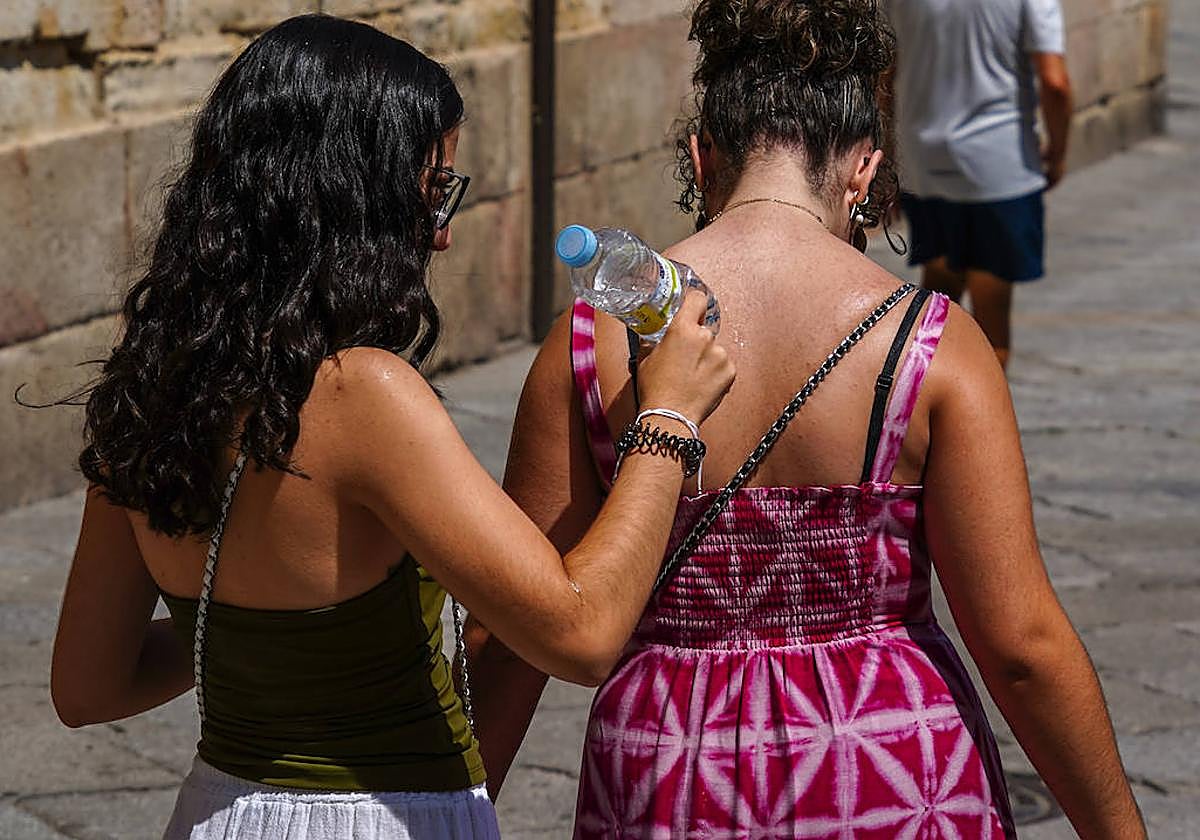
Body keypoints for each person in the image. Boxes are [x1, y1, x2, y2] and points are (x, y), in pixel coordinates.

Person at [465, 0, 1144, 837]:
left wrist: (451, 811)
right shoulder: (932, 345)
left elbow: (509, 638)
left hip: (671, 776)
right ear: (864, 171)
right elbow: (1021, 646)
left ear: (701, 157)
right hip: (893, 770)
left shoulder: (589, 343)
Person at [48, 14, 734, 840]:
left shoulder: (152, 389)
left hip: (215, 812)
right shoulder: (364, 395)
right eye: (433, 189)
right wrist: (668, 416)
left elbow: (88, 687)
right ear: (353, 196)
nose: (442, 231)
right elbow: (582, 633)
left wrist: (263, 645)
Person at [886, 0, 1073, 371]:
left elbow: (886, 74)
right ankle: (980, 409)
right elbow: (1055, 83)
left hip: (923, 161)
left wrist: (890, 159)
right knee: (991, 327)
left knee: (936, 303)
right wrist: (1058, 152)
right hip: (999, 167)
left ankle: (917, 399)